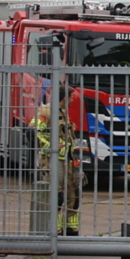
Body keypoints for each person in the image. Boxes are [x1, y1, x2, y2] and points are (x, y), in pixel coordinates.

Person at [34, 85, 81, 236]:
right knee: (57, 196)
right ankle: (54, 231)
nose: (73, 99)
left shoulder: (62, 112)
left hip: (67, 160)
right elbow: (34, 132)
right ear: (65, 97)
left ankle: (70, 229)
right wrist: (51, 145)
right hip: (53, 160)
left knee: (73, 194)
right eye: (72, 97)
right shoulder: (46, 111)